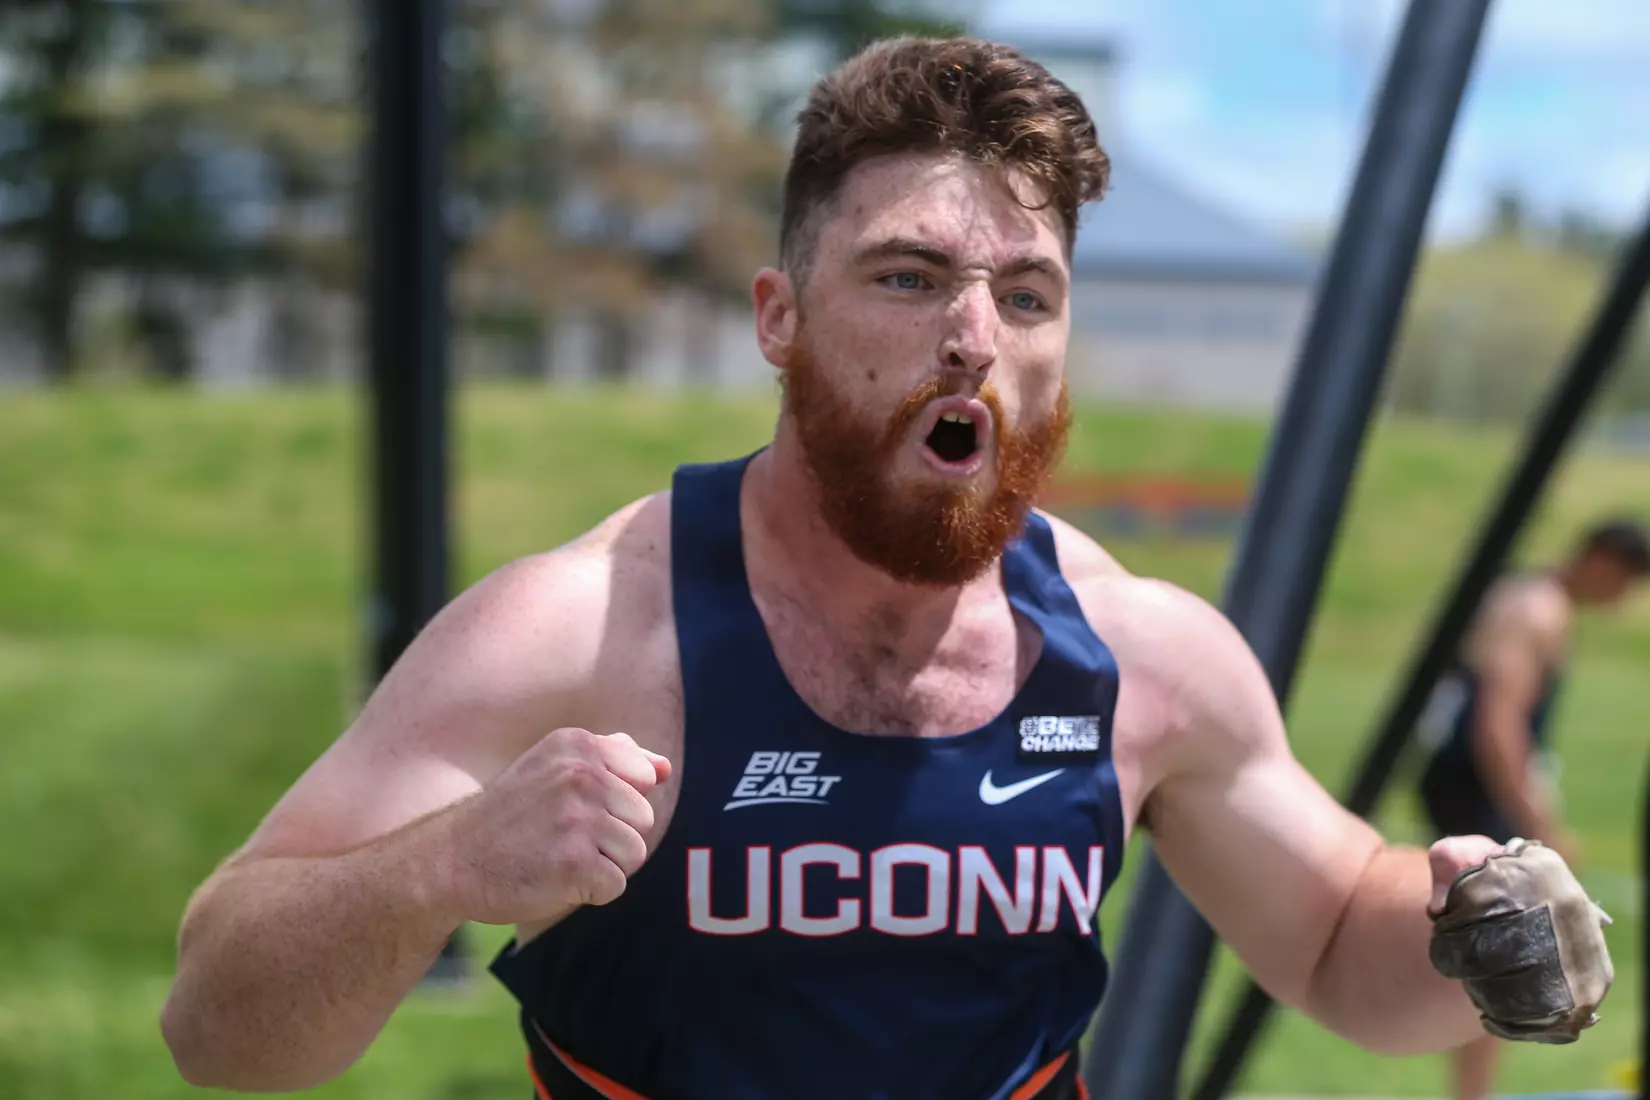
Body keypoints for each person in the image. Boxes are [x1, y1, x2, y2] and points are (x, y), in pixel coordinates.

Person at [160, 37, 1591, 1099]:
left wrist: (1471, 925)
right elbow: (216, 1029)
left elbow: (1341, 942)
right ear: (779, 315)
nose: (974, 334)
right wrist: (443, 867)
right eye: (909, 278)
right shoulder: (588, 630)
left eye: (1024, 295)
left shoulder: (1135, 652)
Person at [1416, 518, 1649, 1100]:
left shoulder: (1526, 594)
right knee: (1501, 949)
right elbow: (1497, 725)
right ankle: (1471, 1094)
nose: (1620, 598)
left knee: (1489, 946)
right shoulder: (1539, 609)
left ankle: (1471, 1092)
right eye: (1624, 582)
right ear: (1601, 559)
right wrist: (1539, 823)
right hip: (1479, 785)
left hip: (1467, 780)